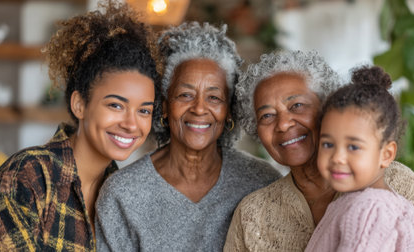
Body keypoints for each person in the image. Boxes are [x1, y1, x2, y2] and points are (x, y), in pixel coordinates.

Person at [0, 1, 162, 250]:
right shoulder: (29, 176)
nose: (131, 124)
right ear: (79, 104)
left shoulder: (124, 195)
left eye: (144, 110)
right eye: (116, 105)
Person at [95, 22, 282, 251]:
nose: (199, 109)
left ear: (229, 111)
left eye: (214, 98)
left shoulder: (262, 182)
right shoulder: (122, 194)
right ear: (163, 106)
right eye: (185, 94)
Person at [224, 50, 414, 251]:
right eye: (267, 116)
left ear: (327, 109)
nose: (283, 124)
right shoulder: (252, 215)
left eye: (297, 105)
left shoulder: (396, 184)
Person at [304, 65, 414, 251]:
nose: (338, 157)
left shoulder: (368, 211)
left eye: (353, 146)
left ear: (386, 154)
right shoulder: (393, 207)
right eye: (328, 144)